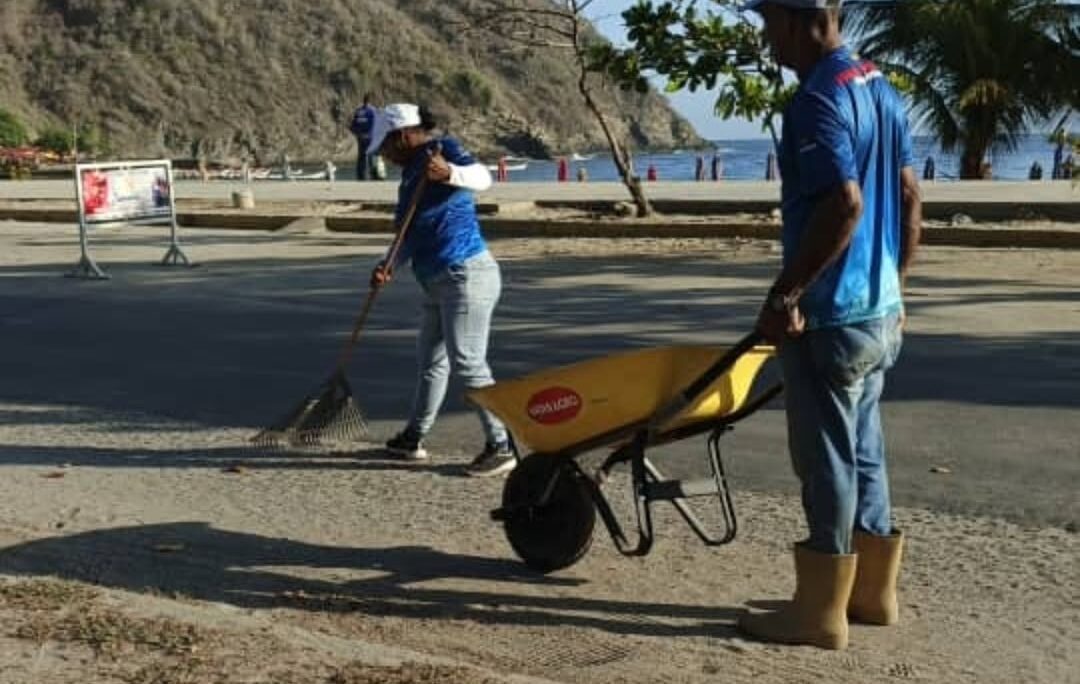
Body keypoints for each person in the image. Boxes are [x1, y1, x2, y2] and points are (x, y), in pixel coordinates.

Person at [737, 0, 922, 651]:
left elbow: (846, 204)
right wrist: (895, 283)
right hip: (878, 313)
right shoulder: (878, 85)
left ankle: (818, 613)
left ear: (796, 20)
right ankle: (872, 596)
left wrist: (786, 294)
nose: (765, 40)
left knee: (826, 460)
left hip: (833, 318)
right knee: (864, 450)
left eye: (766, 25)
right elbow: (907, 195)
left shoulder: (815, 101)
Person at [367, 103, 514, 478]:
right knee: (431, 363)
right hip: (434, 279)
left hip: (466, 274)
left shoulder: (442, 149)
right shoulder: (408, 176)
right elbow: (411, 234)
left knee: (467, 362)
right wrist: (389, 265)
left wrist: (450, 173)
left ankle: (501, 444)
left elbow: (483, 178)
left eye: (385, 147)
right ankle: (413, 437)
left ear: (402, 137)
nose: (384, 155)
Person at [350, 93, 377, 180]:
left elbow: (353, 125)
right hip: (369, 137)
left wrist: (357, 134)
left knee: (361, 157)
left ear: (363, 100)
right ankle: (373, 175)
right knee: (371, 156)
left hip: (360, 137)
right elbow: (375, 124)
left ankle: (360, 176)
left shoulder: (358, 111)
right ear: (369, 101)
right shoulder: (372, 110)